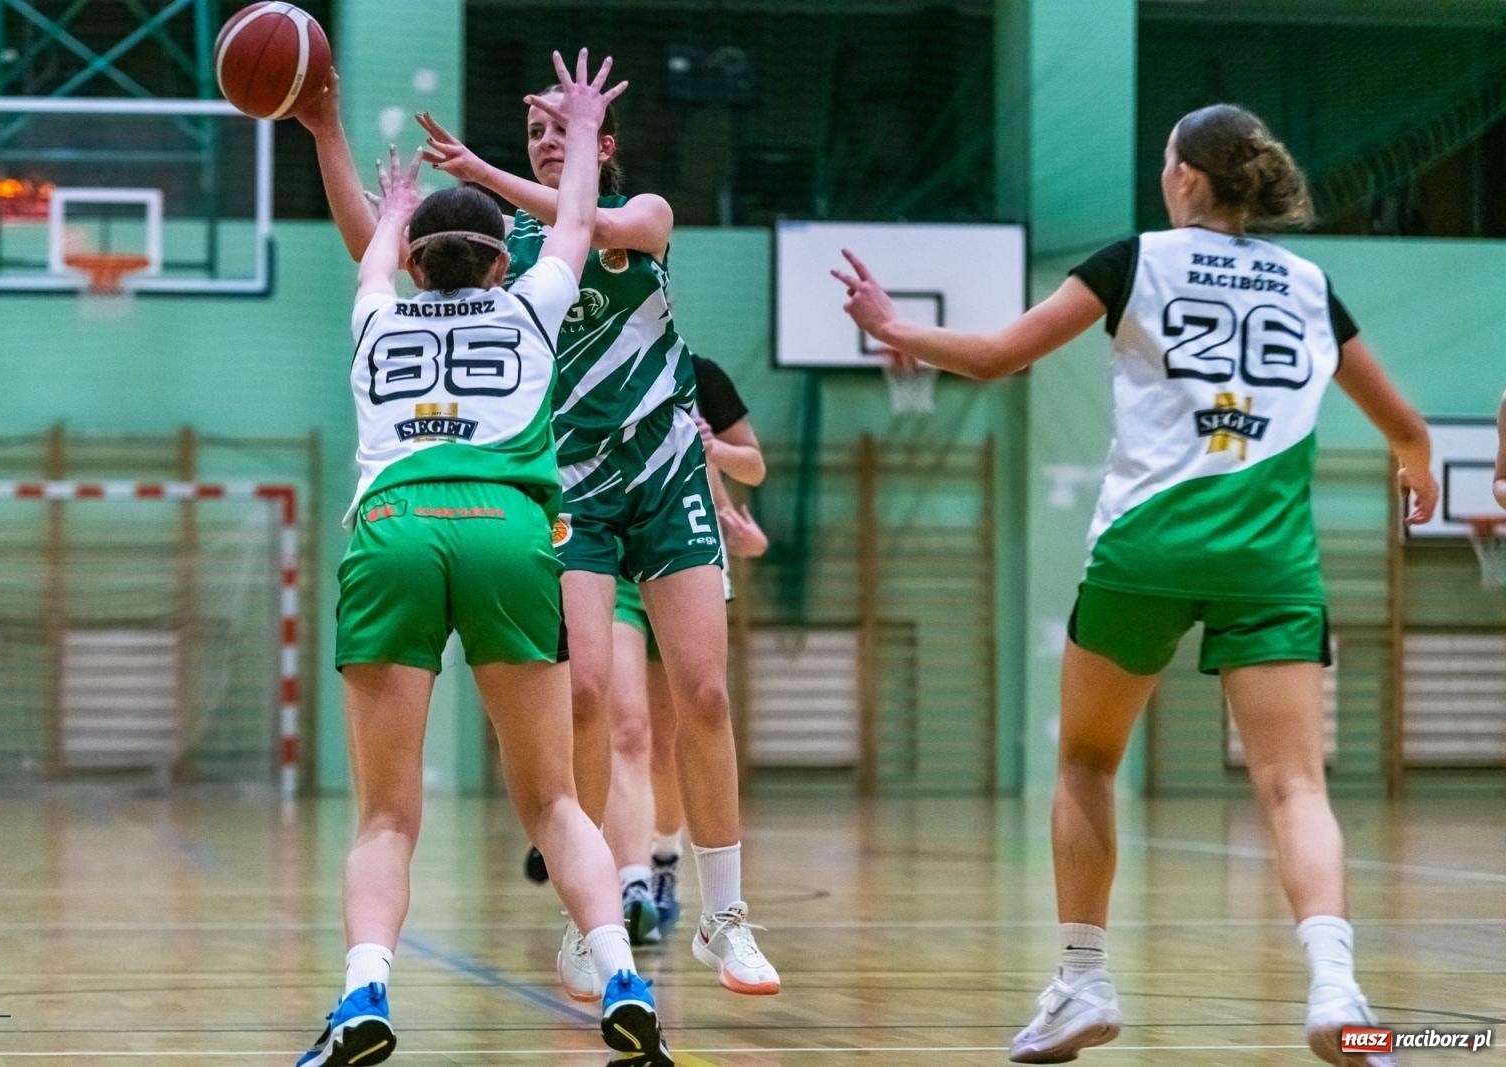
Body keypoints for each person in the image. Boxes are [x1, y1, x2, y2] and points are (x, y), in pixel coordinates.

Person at [832, 103, 1435, 1067]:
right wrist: (1416, 465)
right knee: (1293, 784)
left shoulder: (1138, 259)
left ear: (1188, 178)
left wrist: (891, 324)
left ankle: (1081, 981)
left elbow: (995, 358)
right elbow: (1405, 423)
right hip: (1270, 557)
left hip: (1147, 547)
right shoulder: (1313, 284)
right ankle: (1337, 990)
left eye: (1167, 159)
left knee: (1086, 762)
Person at [298, 53, 673, 1067]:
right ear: (500, 261)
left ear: (410, 262)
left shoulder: (375, 308)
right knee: (553, 798)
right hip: (510, 528)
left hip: (394, 530)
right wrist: (587, 125)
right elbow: (580, 221)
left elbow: (368, 244)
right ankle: (621, 973)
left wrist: (326, 129)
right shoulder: (529, 309)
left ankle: (364, 993)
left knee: (385, 811)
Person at [417, 93, 779, 998]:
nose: (544, 143)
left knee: (701, 691)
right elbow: (409, 267)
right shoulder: (513, 252)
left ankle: (724, 917)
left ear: (599, 142)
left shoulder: (643, 217)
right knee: (581, 693)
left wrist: (483, 172)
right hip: (574, 487)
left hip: (666, 479)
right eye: (533, 133)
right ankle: (591, 918)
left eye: (561, 132)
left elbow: (602, 217)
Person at [603, 354, 768, 943]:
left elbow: (754, 466)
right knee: (626, 729)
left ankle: (666, 856)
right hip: (611, 561)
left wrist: (712, 451)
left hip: (682, 557)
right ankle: (631, 883)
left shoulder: (699, 374)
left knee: (675, 735)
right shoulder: (577, 362)